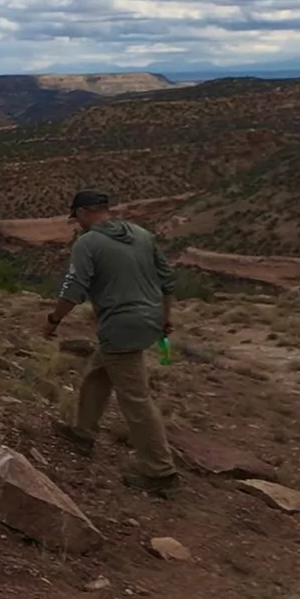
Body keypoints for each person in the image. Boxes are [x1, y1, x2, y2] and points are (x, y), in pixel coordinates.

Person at [41, 189, 182, 496]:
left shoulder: (88, 242)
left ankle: (161, 472)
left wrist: (53, 320)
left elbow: (74, 289)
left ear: (82, 213)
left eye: (76, 218)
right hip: (147, 319)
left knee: (136, 398)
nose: (77, 224)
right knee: (98, 372)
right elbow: (167, 280)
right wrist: (164, 317)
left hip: (121, 326)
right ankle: (83, 432)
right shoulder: (142, 234)